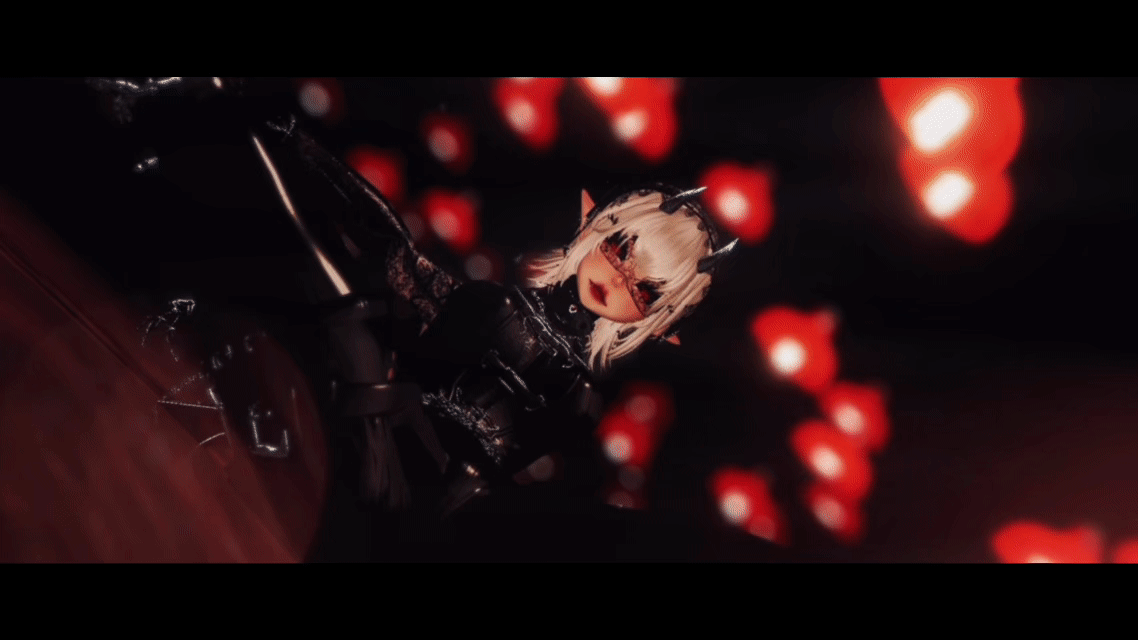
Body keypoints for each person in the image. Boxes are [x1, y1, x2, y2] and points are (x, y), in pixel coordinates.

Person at [82, 77, 738, 532]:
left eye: (643, 288)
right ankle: (198, 118)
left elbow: (483, 484)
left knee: (349, 307)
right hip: (362, 421)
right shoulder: (497, 306)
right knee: (347, 280)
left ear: (657, 318)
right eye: (622, 252)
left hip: (402, 491)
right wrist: (302, 149)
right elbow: (397, 254)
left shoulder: (578, 399)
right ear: (601, 229)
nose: (618, 279)